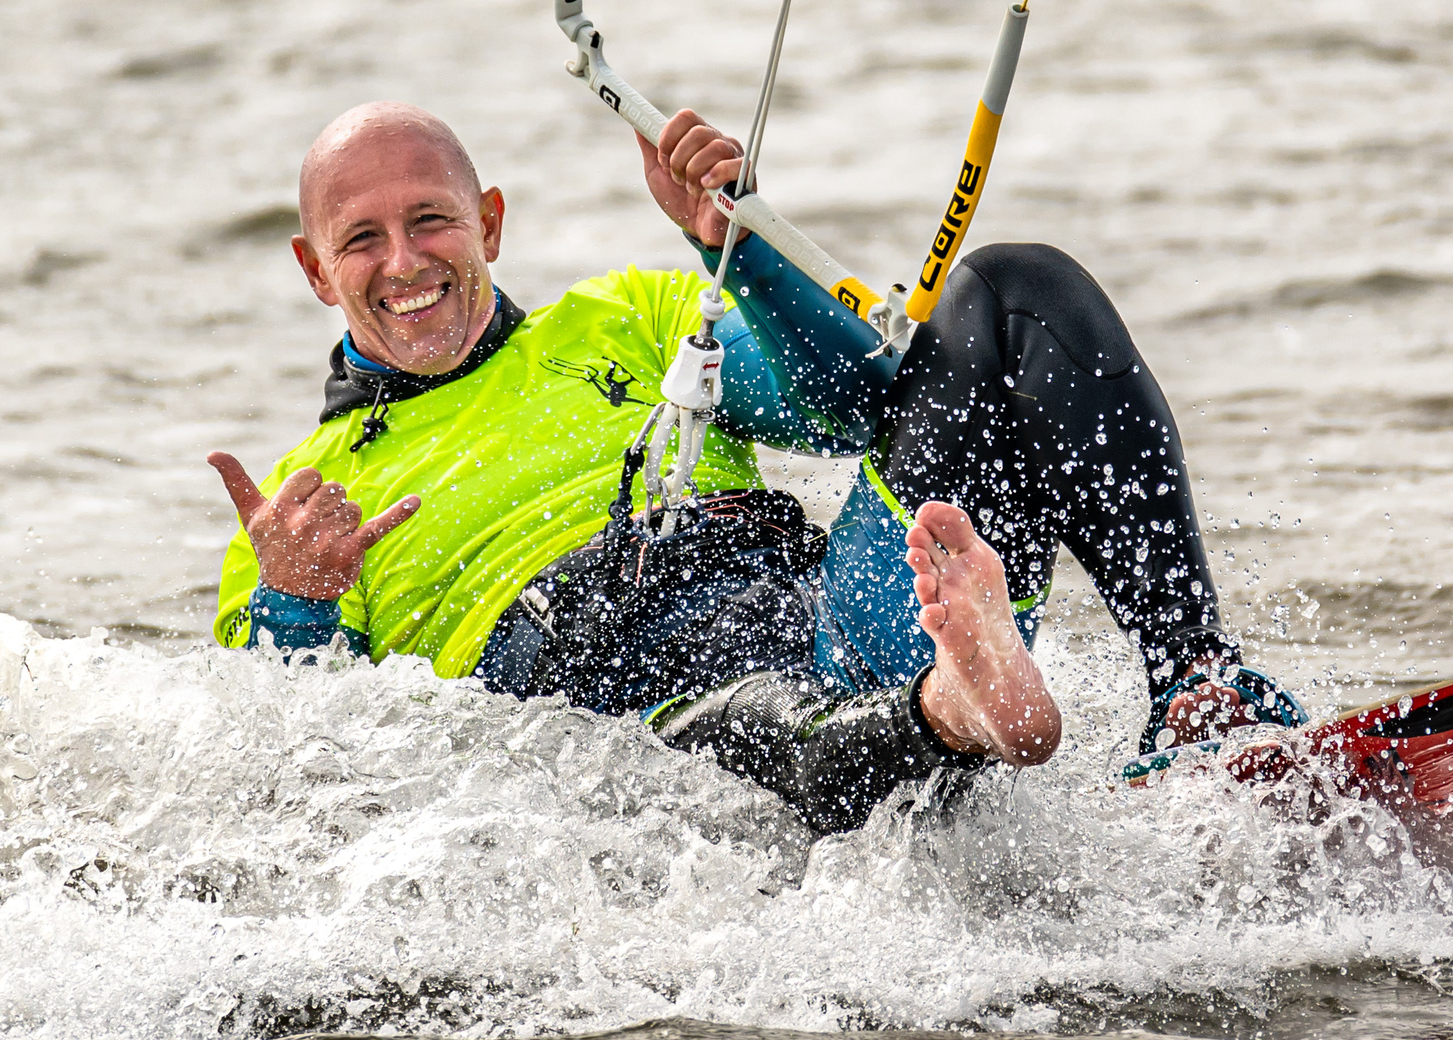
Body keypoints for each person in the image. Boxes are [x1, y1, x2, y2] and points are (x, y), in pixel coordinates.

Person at [207, 100, 1302, 833]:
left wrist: (742, 253)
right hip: (624, 721)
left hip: (831, 610)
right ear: (314, 271)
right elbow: (296, 783)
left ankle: (1197, 690)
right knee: (743, 731)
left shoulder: (628, 318)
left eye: (431, 220)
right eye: (361, 240)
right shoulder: (293, 514)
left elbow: (853, 407)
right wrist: (298, 606)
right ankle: (965, 710)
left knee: (1014, 289)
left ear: (488, 222)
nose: (404, 263)